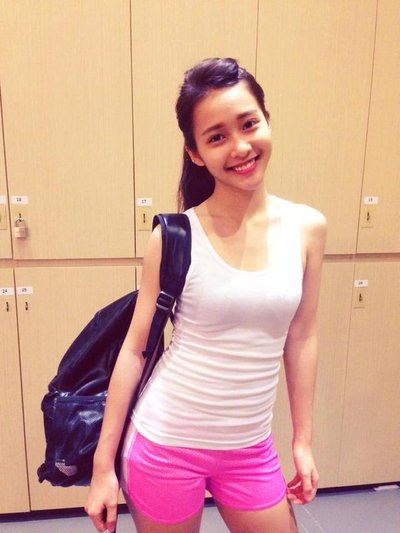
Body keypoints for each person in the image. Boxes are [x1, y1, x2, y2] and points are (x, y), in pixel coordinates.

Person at [85, 57, 327, 533]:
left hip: (250, 449)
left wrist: (302, 442)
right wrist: (102, 467)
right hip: (165, 444)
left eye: (249, 124)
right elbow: (134, 350)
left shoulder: (307, 228)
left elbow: (302, 336)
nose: (240, 147)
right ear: (195, 153)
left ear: (267, 120)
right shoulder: (176, 236)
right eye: (216, 137)